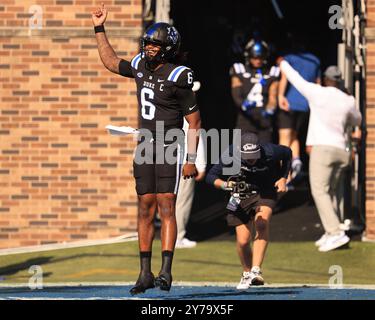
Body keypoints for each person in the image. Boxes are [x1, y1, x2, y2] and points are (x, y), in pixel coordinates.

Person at [92, 4, 201, 294]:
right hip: (144, 145)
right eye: (148, 43)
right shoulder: (140, 65)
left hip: (168, 146)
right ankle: (144, 273)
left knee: (166, 204)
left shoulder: (179, 75)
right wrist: (99, 28)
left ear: (167, 48)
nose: (150, 48)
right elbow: (111, 62)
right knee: (144, 207)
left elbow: (195, 122)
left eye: (155, 44)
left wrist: (191, 159)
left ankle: (166, 271)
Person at [278, 59, 362, 252]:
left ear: (325, 79)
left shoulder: (317, 92)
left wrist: (283, 63)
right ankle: (330, 230)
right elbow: (357, 119)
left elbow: (295, 78)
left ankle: (335, 233)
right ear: (339, 81)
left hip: (323, 149)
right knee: (331, 190)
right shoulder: (348, 100)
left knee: (319, 191)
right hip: (342, 151)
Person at [206, 132, 292, 289]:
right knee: (243, 240)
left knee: (261, 223)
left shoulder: (271, 151)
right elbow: (211, 176)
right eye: (248, 155)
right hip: (239, 194)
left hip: (265, 191)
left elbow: (288, 153)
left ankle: (256, 270)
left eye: (254, 154)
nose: (251, 159)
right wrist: (226, 185)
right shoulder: (231, 153)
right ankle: (247, 273)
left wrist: (283, 177)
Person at [277, 44, 321, 182]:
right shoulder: (315, 60)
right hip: (305, 104)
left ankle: (283, 176)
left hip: (289, 102)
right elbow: (318, 83)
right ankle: (296, 159)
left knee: (284, 138)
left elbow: (285, 78)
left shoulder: (290, 58)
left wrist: (280, 96)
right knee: (294, 135)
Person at [230, 40, 279, 143]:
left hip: (263, 120)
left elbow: (273, 96)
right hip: (245, 119)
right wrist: (243, 104)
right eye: (255, 57)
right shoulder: (239, 69)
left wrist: (270, 109)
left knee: (265, 153)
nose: (258, 60)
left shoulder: (272, 72)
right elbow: (236, 93)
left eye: (260, 57)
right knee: (242, 153)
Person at [175, 116, 206, 249]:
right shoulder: (190, 110)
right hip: (183, 162)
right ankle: (177, 237)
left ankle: (171, 235)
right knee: (182, 200)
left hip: (165, 160)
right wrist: (201, 164)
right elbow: (196, 136)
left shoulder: (165, 108)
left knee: (170, 199)